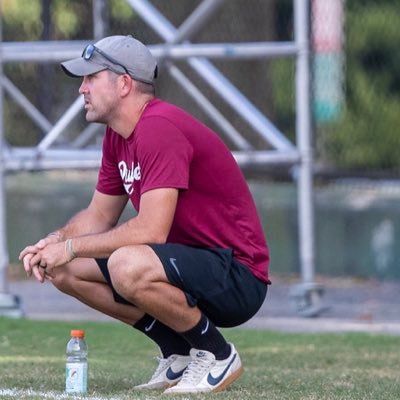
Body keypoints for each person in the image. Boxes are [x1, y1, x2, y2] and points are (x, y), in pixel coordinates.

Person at [19, 35, 270, 394]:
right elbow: (99, 215)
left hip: (239, 275)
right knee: (63, 269)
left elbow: (151, 231)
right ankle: (179, 351)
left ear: (124, 84)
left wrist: (73, 245)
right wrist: (55, 244)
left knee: (125, 264)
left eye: (91, 78)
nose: (82, 90)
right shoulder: (118, 135)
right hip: (189, 265)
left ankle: (217, 354)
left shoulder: (157, 127)